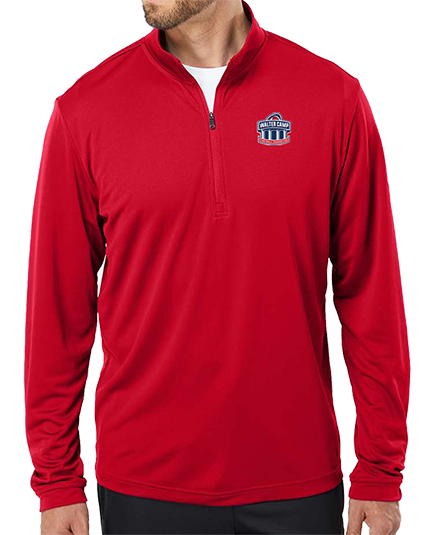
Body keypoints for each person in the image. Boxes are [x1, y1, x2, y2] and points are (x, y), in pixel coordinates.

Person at [24, 1, 410, 534]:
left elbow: (372, 295)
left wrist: (380, 469)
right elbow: (57, 312)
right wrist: (56, 479)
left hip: (297, 478)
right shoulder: (85, 111)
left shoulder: (333, 99)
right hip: (144, 483)